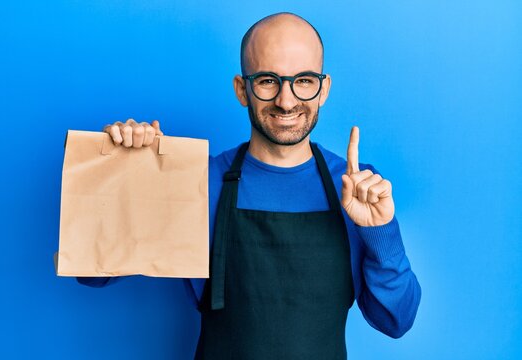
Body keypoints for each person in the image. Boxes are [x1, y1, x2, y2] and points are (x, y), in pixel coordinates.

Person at [77, 12, 421, 359]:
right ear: (243, 89)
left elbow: (397, 320)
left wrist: (382, 233)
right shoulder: (198, 181)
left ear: (324, 89)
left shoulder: (357, 188)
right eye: (268, 80)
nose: (286, 101)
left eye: (303, 80)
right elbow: (91, 275)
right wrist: (129, 172)